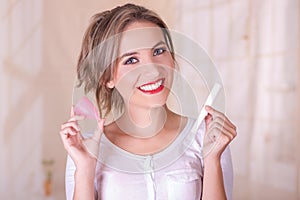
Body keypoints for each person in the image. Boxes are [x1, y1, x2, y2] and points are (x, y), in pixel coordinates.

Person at [60, 3, 237, 200]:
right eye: (131, 60)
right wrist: (85, 169)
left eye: (159, 51)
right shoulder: (86, 148)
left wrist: (212, 160)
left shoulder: (206, 137)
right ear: (107, 77)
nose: (153, 70)